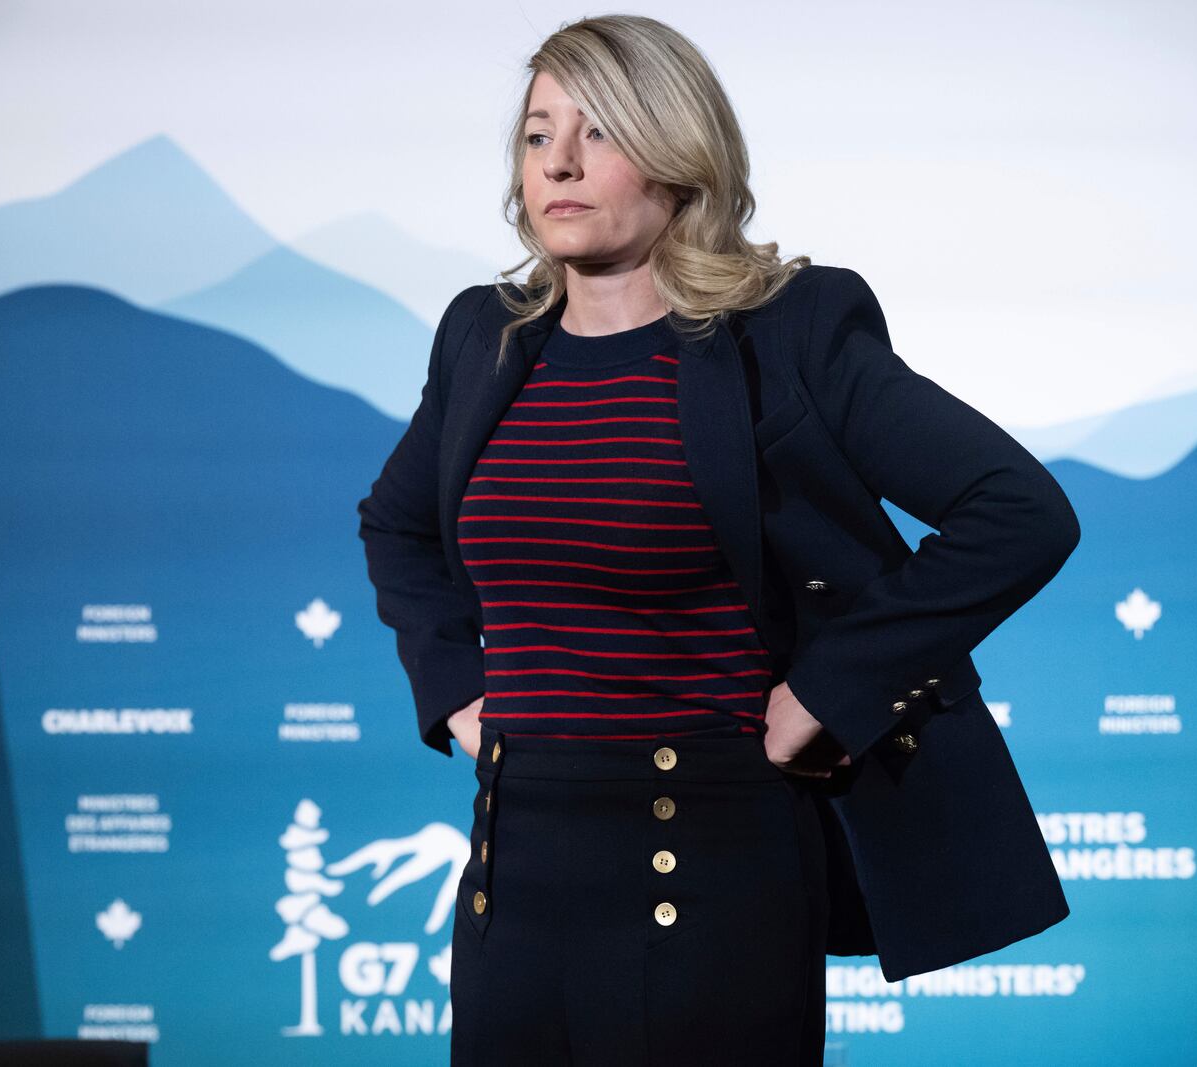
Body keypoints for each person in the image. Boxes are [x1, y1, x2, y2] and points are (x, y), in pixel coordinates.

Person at [356, 14, 1079, 1067]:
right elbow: (397, 521)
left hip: (707, 862)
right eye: (535, 133)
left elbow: (1016, 508)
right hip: (511, 865)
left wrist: (834, 687)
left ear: (679, 151)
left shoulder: (785, 333)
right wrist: (449, 682)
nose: (557, 161)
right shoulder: (485, 334)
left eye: (598, 131)